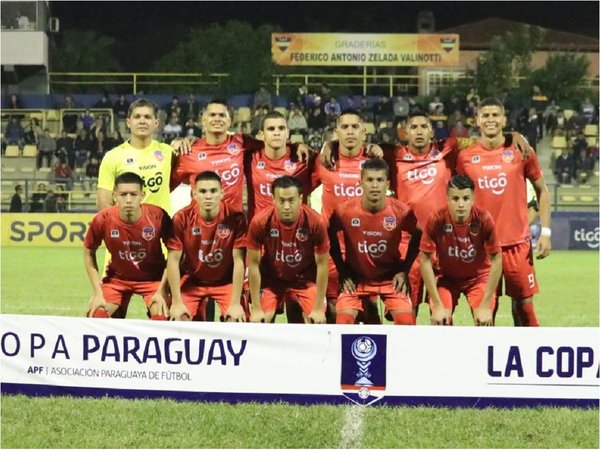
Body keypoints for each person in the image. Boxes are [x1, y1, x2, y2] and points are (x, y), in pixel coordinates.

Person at [457, 97, 551, 327]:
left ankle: (530, 358)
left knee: (524, 309)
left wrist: (546, 232)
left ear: (503, 119)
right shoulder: (465, 157)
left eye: (495, 115)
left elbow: (543, 191)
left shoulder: (520, 151)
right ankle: (487, 362)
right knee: (485, 315)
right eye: (485, 115)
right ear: (477, 120)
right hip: (482, 248)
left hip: (516, 245)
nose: (490, 119)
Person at [328, 159, 421, 325]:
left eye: (379, 180)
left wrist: (404, 270)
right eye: (370, 180)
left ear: (387, 184)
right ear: (361, 183)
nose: (374, 185)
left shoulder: (401, 212)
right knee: (342, 323)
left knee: (407, 323)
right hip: (356, 281)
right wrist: (342, 270)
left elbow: (418, 234)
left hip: (390, 279)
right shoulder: (344, 211)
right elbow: (330, 233)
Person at [83, 172, 172, 320]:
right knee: (96, 316)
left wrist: (163, 289)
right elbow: (88, 252)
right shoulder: (102, 219)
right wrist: (98, 293)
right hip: (117, 280)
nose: (128, 200)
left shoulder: (158, 216)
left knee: (162, 317)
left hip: (153, 280)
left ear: (142, 195)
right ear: (115, 196)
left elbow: (175, 253)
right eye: (123, 195)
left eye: (134, 194)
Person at [420, 175, 502, 326]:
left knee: (484, 323)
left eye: (465, 198)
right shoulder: (436, 219)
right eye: (455, 199)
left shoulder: (484, 219)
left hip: (478, 279)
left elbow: (497, 259)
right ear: (447, 199)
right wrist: (437, 305)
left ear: (473, 199)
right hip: (446, 278)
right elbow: (424, 260)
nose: (461, 204)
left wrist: (485, 305)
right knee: (441, 321)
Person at [166, 171, 247, 322]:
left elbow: (239, 261)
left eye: (213, 191)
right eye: (203, 191)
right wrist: (176, 302)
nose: (208, 196)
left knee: (236, 320)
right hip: (192, 281)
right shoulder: (181, 218)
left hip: (225, 282)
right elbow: (173, 261)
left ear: (222, 193)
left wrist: (235, 303)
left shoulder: (236, 218)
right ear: (194, 194)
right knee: (179, 319)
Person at [247, 176, 328, 324]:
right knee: (261, 321)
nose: (286, 206)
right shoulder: (260, 221)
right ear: (273, 199)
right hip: (272, 280)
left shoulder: (316, 222)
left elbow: (323, 265)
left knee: (316, 321)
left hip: (305, 280)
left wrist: (317, 308)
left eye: (291, 200)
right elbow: (253, 264)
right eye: (281, 200)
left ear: (300, 198)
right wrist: (257, 308)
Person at [97, 98, 190, 213]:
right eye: (137, 117)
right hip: (128, 228)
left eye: (147, 117)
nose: (142, 121)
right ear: (128, 122)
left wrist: (185, 140)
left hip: (161, 228)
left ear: (156, 123)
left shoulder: (168, 152)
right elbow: (104, 204)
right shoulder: (112, 157)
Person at [244, 111, 315, 221]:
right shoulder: (249, 158)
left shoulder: (303, 158)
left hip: (295, 232)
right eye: (271, 129)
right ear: (261, 134)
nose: (277, 133)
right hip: (260, 233)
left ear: (287, 133)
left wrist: (330, 145)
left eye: (281, 128)